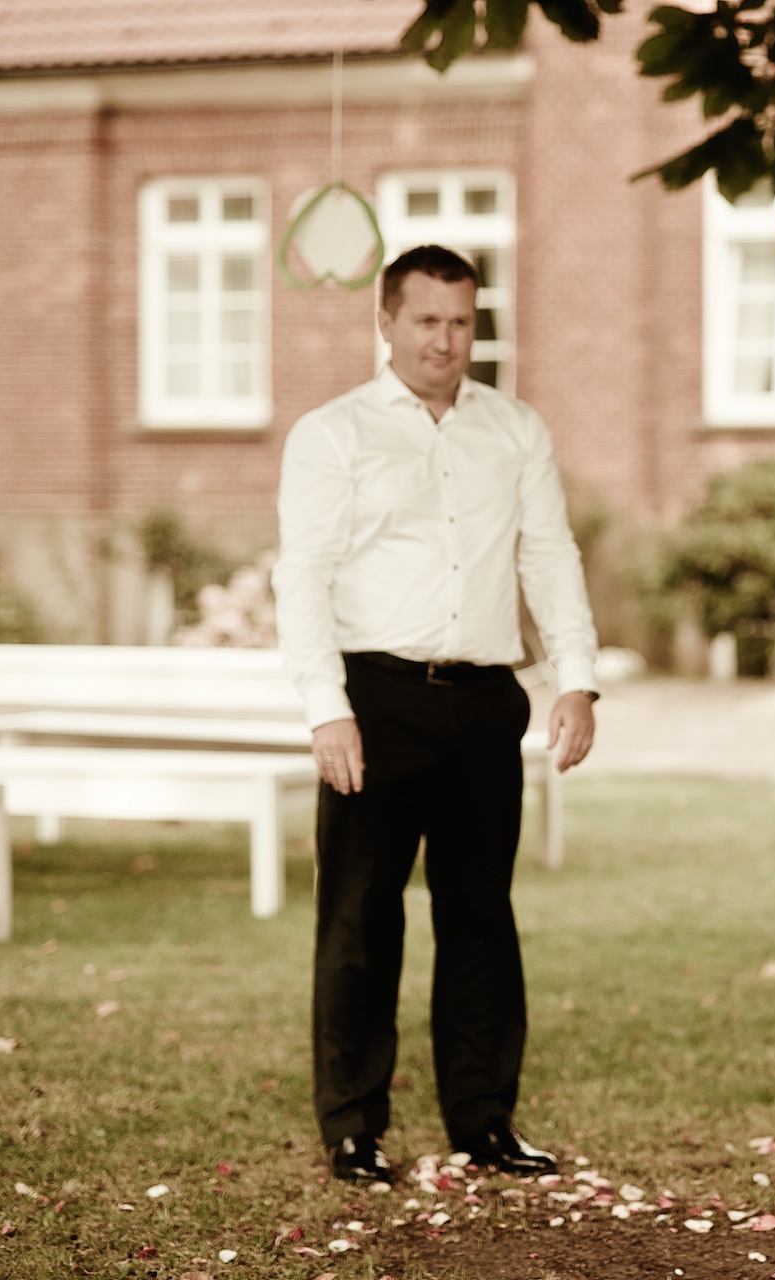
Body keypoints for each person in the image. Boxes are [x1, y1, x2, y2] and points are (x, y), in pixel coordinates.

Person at [273, 245, 601, 1185]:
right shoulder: (332, 435)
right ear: (386, 322)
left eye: (461, 322)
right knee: (361, 917)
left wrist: (575, 677)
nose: (445, 341)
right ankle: (352, 1124)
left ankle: (484, 1119)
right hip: (373, 701)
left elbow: (549, 556)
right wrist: (325, 709)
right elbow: (303, 578)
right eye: (426, 321)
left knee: (480, 918)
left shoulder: (515, 429)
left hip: (485, 701)